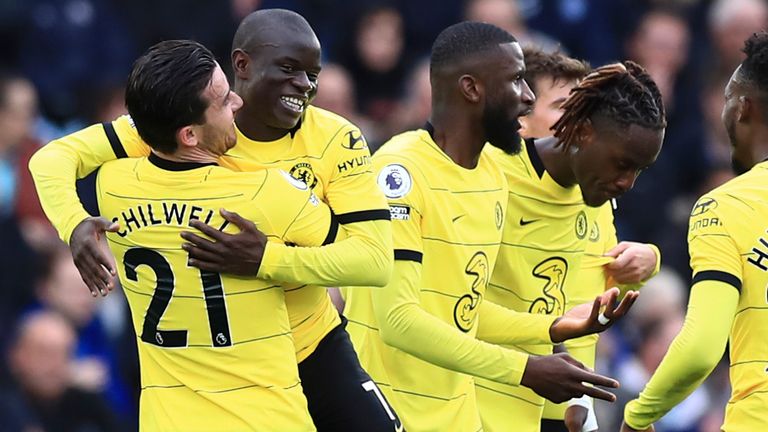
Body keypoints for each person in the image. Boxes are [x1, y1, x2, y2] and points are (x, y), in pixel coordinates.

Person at [28, 9, 401, 431]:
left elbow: (373, 260)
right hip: (231, 366)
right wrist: (73, 223)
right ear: (241, 66)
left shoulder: (337, 137)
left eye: (313, 73)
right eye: (290, 70)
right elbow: (54, 156)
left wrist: (267, 259)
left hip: (312, 342)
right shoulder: (185, 119)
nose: (306, 86)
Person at [343, 21, 637, 432]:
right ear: (471, 88)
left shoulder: (491, 178)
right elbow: (399, 321)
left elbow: (463, 308)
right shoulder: (399, 173)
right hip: (388, 409)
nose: (529, 96)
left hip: (457, 415)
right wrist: (524, 368)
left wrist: (552, 327)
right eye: (517, 81)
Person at [94, 39, 342, 430]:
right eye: (225, 101)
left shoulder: (111, 186)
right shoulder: (267, 192)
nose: (239, 104)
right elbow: (367, 258)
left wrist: (73, 221)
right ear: (190, 135)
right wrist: (269, 259)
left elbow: (54, 160)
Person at [481, 47, 663, 432]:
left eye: (640, 171)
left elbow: (585, 285)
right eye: (622, 165)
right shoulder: (492, 173)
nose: (627, 184)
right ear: (582, 131)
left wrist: (647, 262)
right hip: (486, 397)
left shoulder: (595, 190)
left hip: (564, 406)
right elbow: (453, 300)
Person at [621, 31, 768, 432]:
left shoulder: (725, 206)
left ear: (743, 108)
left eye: (727, 99)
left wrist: (638, 415)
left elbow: (702, 347)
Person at [0, 310, 121, 432]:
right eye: (45, 353)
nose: (55, 365)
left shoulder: (85, 402)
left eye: (65, 354)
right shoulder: (7, 407)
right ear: (17, 354)